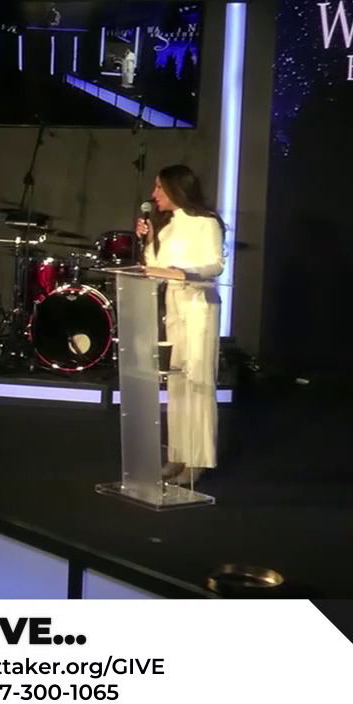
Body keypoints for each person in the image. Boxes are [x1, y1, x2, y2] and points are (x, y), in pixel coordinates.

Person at [134, 164, 226, 483]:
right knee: (177, 382)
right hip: (175, 307)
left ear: (177, 188)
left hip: (199, 306)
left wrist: (182, 272)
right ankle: (178, 453)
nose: (153, 194)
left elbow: (215, 265)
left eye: (159, 187)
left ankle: (198, 460)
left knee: (198, 382)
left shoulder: (206, 222)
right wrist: (148, 239)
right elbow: (154, 268)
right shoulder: (167, 226)